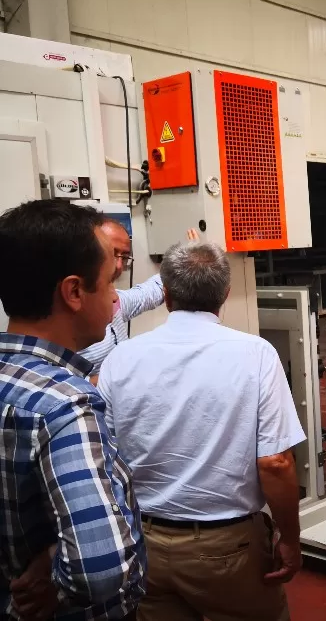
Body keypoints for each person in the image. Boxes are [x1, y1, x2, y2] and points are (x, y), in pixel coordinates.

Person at [97, 239, 306, 621]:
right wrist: (290, 539)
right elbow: (275, 462)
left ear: (166, 293)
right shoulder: (256, 354)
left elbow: (106, 457)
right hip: (228, 547)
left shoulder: (121, 358)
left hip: (145, 542)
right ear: (225, 293)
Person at [0, 199, 145, 620]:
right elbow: (100, 569)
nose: (115, 297)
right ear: (75, 292)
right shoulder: (66, 405)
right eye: (109, 282)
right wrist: (58, 584)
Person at [79, 217, 166, 380]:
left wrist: (188, 257)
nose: (118, 265)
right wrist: (114, 378)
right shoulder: (65, 315)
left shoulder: (115, 300)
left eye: (124, 257)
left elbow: (149, 292)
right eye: (111, 254)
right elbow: (49, 382)